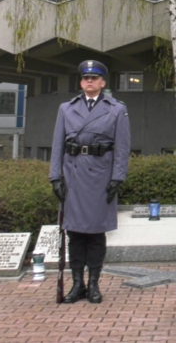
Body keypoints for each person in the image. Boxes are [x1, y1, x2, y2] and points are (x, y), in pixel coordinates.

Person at [49, 59, 131, 304]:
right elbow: (57, 144)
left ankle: (94, 284)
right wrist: (55, 176)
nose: (89, 82)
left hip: (100, 177)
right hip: (73, 176)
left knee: (95, 234)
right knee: (74, 233)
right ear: (81, 81)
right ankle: (77, 285)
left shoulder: (116, 109)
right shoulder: (66, 108)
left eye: (94, 78)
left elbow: (123, 146)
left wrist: (118, 177)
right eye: (86, 78)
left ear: (103, 83)